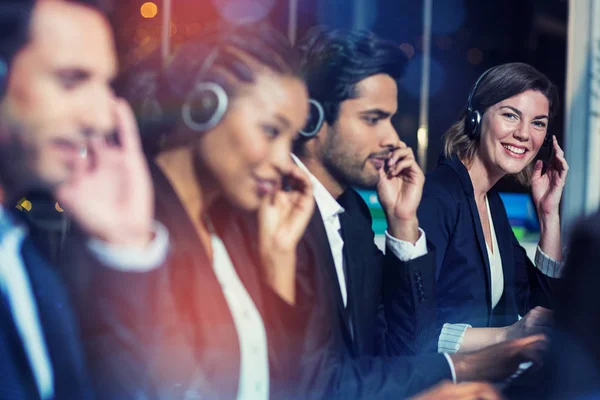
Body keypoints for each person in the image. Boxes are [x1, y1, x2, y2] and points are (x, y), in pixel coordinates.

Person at [292, 27, 548, 399]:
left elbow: (404, 345)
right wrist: (467, 367)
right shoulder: (273, 216)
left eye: (391, 119)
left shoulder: (354, 218)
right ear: (309, 118)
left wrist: (403, 223)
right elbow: (311, 382)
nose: (392, 139)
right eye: (372, 118)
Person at [121, 23, 315, 399]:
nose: (284, 161)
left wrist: (278, 256)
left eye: (291, 139)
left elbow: (280, 382)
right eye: (271, 131)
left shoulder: (229, 228)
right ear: (204, 106)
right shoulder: (138, 228)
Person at [0, 0, 168, 399]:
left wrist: (124, 245)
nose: (100, 119)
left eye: (105, 86)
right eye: (71, 80)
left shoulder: (25, 252)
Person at [416, 63, 568, 354]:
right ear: (476, 119)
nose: (524, 134)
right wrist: (505, 336)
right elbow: (410, 330)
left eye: (538, 123)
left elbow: (539, 310)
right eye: (511, 115)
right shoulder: (438, 196)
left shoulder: (490, 202)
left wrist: (549, 214)